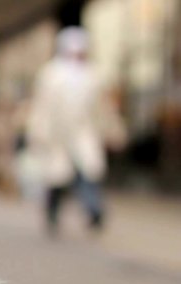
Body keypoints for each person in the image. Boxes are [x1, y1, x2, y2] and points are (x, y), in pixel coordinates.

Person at [27, 27, 125, 234]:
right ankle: (52, 213)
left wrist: (112, 130)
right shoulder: (50, 73)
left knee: (89, 172)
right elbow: (41, 107)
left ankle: (94, 210)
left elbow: (102, 109)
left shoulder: (94, 75)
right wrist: (38, 132)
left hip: (84, 132)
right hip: (57, 134)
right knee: (57, 176)